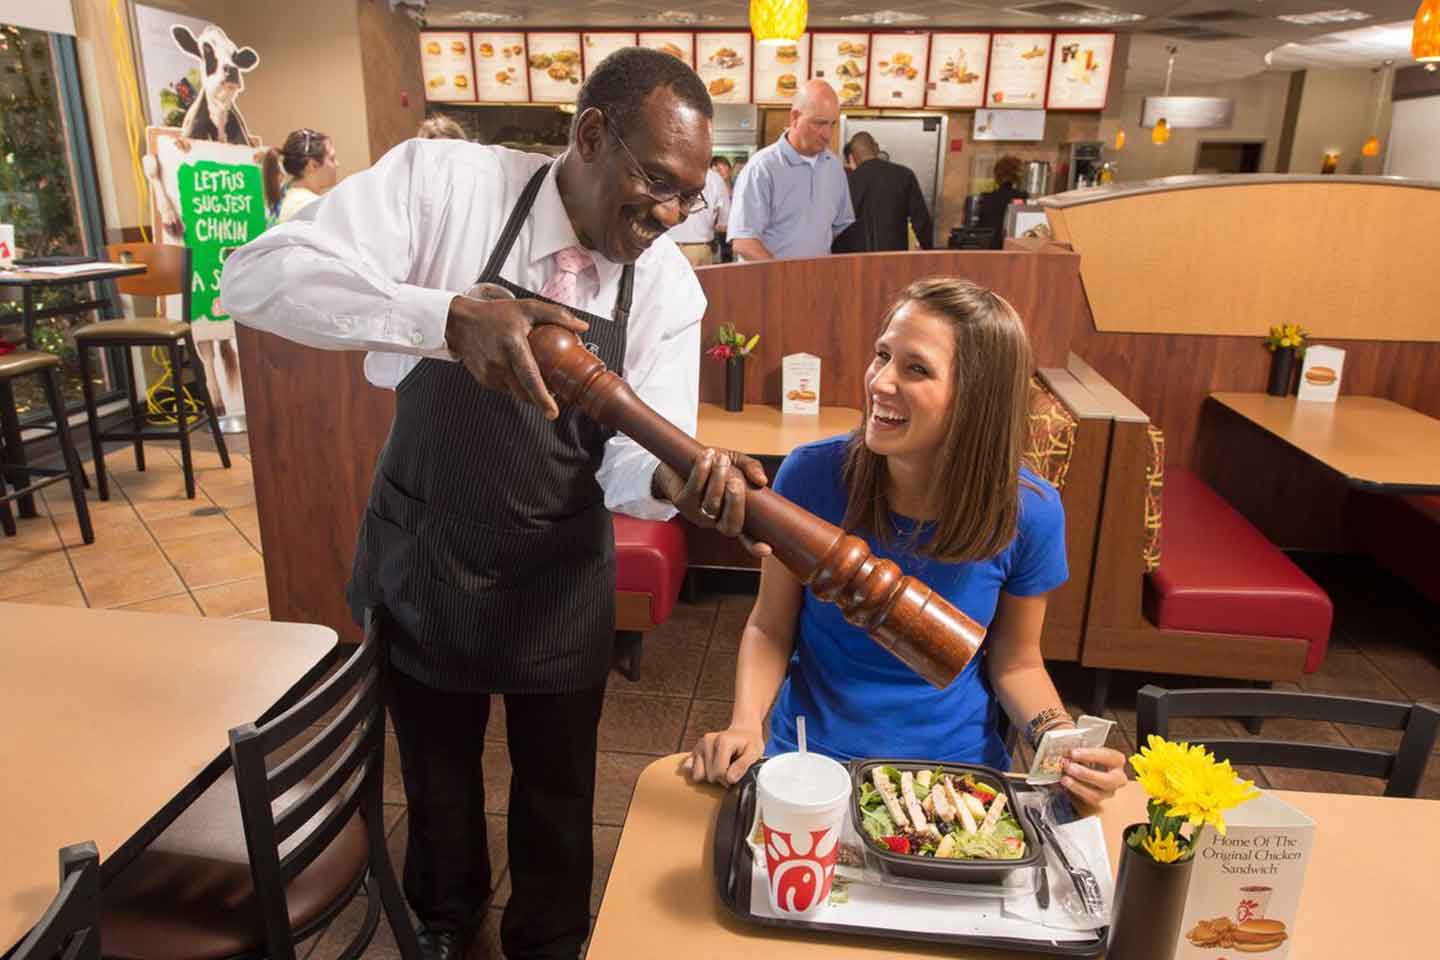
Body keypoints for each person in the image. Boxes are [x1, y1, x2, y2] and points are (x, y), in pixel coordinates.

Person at [222, 48, 768, 960]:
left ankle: (548, 941)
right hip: (427, 550)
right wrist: (439, 318)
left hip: (556, 574)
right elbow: (255, 277)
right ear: (592, 134)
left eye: (691, 198)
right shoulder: (447, 187)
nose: (670, 217)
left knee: (557, 791)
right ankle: (445, 923)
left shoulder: (667, 283)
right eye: (657, 184)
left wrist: (681, 479)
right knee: (434, 779)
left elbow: (635, 457)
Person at [688, 277, 1128, 809]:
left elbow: (1016, 662)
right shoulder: (811, 475)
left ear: (977, 397)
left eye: (915, 368)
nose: (880, 381)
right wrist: (744, 724)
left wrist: (1060, 744)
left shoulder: (1030, 510)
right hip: (810, 758)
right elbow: (769, 625)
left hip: (953, 775)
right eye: (882, 355)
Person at [727, 79, 854, 261]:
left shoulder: (834, 168)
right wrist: (784, 277)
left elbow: (838, 227)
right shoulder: (762, 168)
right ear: (794, 117)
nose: (827, 134)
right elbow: (744, 242)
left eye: (832, 124)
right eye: (819, 123)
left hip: (815, 282)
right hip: (768, 284)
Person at [832, 131, 934, 253]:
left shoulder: (845, 182)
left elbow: (835, 226)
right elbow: (922, 222)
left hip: (855, 260)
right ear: (877, 148)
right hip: (893, 257)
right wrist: (928, 250)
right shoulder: (904, 175)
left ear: (851, 157)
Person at [261, 128, 338, 223]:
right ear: (313, 165)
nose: (337, 164)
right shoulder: (308, 207)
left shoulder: (285, 196)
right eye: (332, 159)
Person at [666, 159, 729, 267]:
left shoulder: (667, 173)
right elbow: (723, 223)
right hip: (700, 249)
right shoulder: (714, 178)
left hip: (667, 247)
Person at [975, 154, 1029, 249]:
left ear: (997, 175)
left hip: (988, 252)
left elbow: (978, 229)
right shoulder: (1023, 198)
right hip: (1013, 252)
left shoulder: (985, 198)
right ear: (1017, 175)